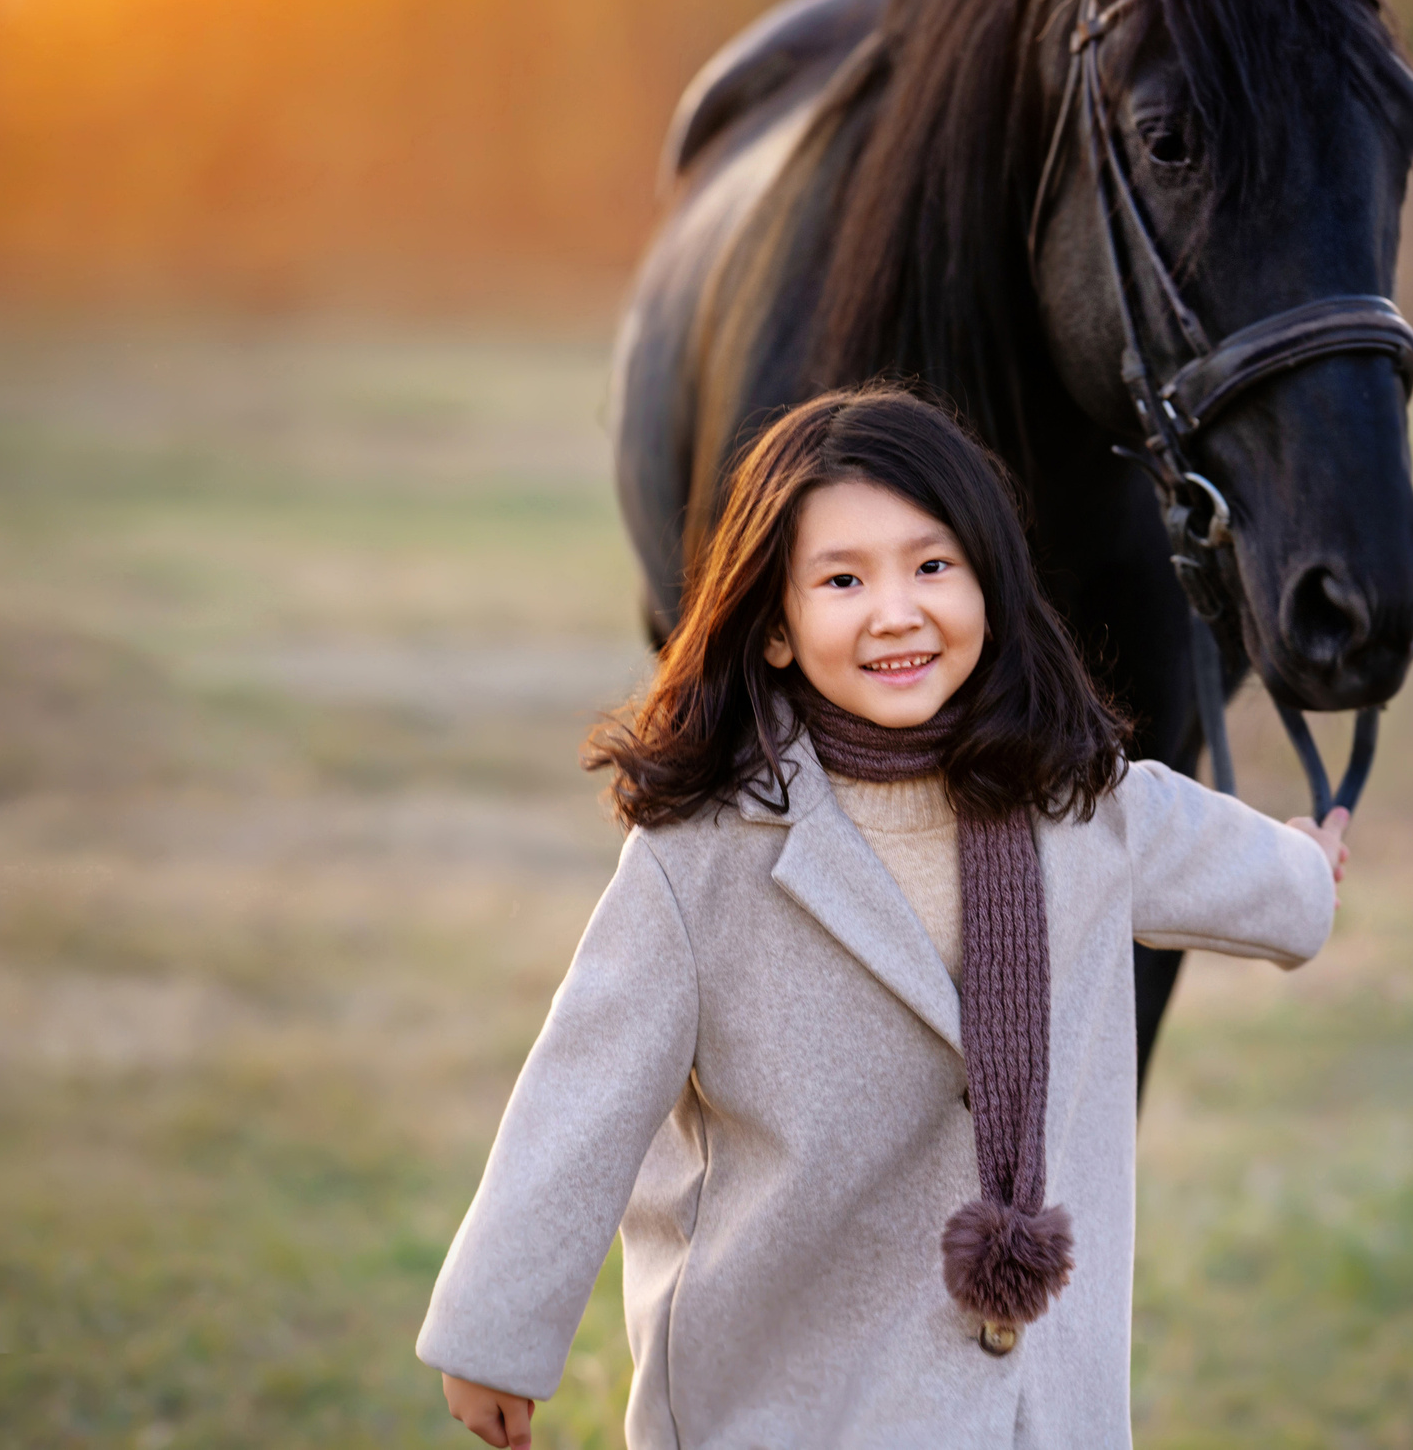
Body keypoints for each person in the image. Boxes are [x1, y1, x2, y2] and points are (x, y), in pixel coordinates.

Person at [419, 386, 1349, 1449]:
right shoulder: (705, 854)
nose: (896, 611)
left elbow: (1248, 873)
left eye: (932, 566)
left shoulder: (1082, 804)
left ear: (990, 584)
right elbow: (582, 1095)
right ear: (775, 626)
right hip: (790, 1390)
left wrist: (1306, 867)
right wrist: (495, 1333)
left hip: (1030, 1408)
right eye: (843, 580)